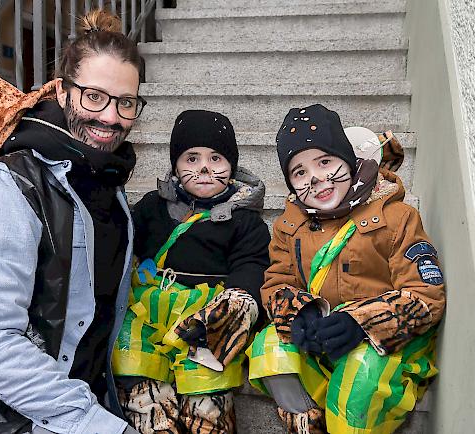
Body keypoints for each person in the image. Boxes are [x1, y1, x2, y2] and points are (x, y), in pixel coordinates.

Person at [0, 9, 143, 434]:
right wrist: (94, 422)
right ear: (62, 92)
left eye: (126, 102)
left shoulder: (105, 180)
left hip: (65, 403)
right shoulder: (8, 187)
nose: (111, 117)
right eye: (94, 96)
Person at [246, 104, 446, 434]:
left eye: (324, 162)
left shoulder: (397, 218)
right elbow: (276, 282)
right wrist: (301, 313)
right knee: (268, 346)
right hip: (323, 341)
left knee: (359, 381)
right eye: (299, 172)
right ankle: (310, 421)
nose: (315, 178)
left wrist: (361, 323)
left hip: (386, 347)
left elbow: (428, 295)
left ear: (348, 161)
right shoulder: (288, 226)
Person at [112, 110, 271, 433]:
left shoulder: (245, 222)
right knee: (140, 392)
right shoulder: (152, 206)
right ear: (175, 165)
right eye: (191, 158)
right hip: (148, 313)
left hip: (206, 318)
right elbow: (119, 238)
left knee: (208, 403)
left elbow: (251, 265)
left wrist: (236, 302)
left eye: (216, 159)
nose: (203, 168)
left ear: (232, 167)